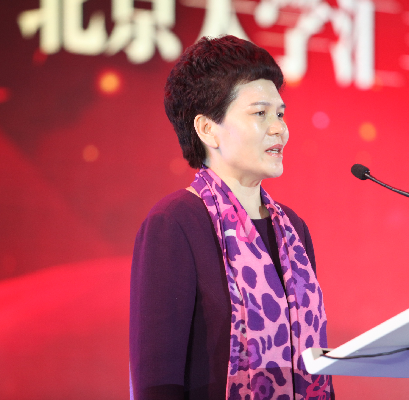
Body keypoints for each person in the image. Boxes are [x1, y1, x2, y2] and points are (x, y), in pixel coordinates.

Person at [130, 35, 333, 400]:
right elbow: (156, 382)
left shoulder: (293, 230)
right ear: (208, 129)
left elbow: (316, 364)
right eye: (260, 113)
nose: (279, 128)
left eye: (280, 113)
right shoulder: (175, 222)